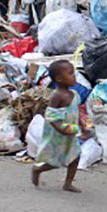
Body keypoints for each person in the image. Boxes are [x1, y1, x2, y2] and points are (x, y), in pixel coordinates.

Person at [31, 60, 84, 192]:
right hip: (58, 135)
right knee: (56, 162)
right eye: (70, 73)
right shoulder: (57, 96)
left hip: (70, 132)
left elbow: (75, 112)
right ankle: (38, 169)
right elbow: (51, 116)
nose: (74, 76)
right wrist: (62, 129)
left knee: (75, 156)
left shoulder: (74, 94)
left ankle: (68, 183)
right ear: (59, 78)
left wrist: (82, 126)